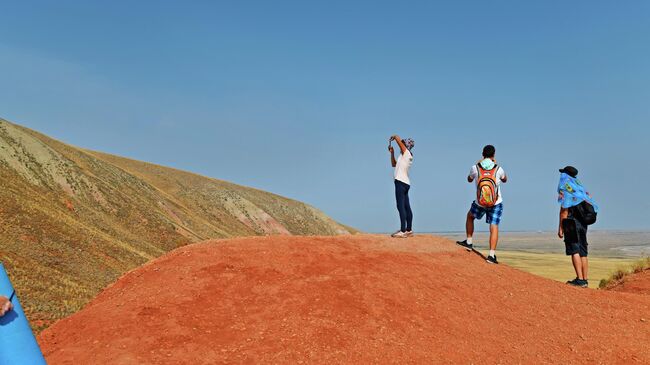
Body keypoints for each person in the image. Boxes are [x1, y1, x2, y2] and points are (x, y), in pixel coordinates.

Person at [456, 145, 507, 264]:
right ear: (493, 155)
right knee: (493, 227)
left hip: (480, 202)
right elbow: (505, 179)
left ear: (482, 154)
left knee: (470, 216)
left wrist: (478, 163)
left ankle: (468, 242)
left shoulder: (475, 167)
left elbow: (469, 179)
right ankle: (491, 255)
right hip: (496, 202)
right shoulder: (498, 169)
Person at [557, 166, 598, 288]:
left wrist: (560, 228)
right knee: (583, 251)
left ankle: (580, 280)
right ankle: (585, 279)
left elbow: (564, 210)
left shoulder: (566, 188)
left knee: (574, 250)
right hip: (583, 223)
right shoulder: (580, 188)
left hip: (570, 222)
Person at [388, 135, 415, 238]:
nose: (402, 144)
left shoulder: (407, 153)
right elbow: (393, 164)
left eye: (404, 143)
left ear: (406, 145)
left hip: (400, 182)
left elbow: (399, 141)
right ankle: (409, 229)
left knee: (400, 206)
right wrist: (392, 153)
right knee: (406, 207)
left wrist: (395, 136)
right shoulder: (404, 156)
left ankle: (403, 231)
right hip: (405, 183)